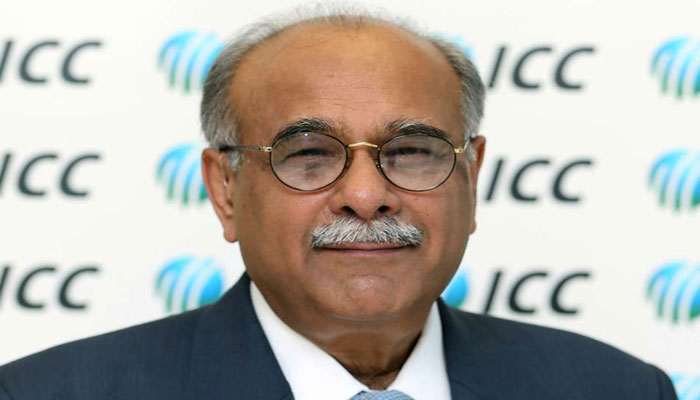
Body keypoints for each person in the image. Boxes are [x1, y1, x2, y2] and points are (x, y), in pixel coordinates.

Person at [0, 6, 678, 400]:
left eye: (411, 150)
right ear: (225, 189)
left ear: (471, 178)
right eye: (309, 154)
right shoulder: (54, 393)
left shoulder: (612, 389)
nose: (365, 196)